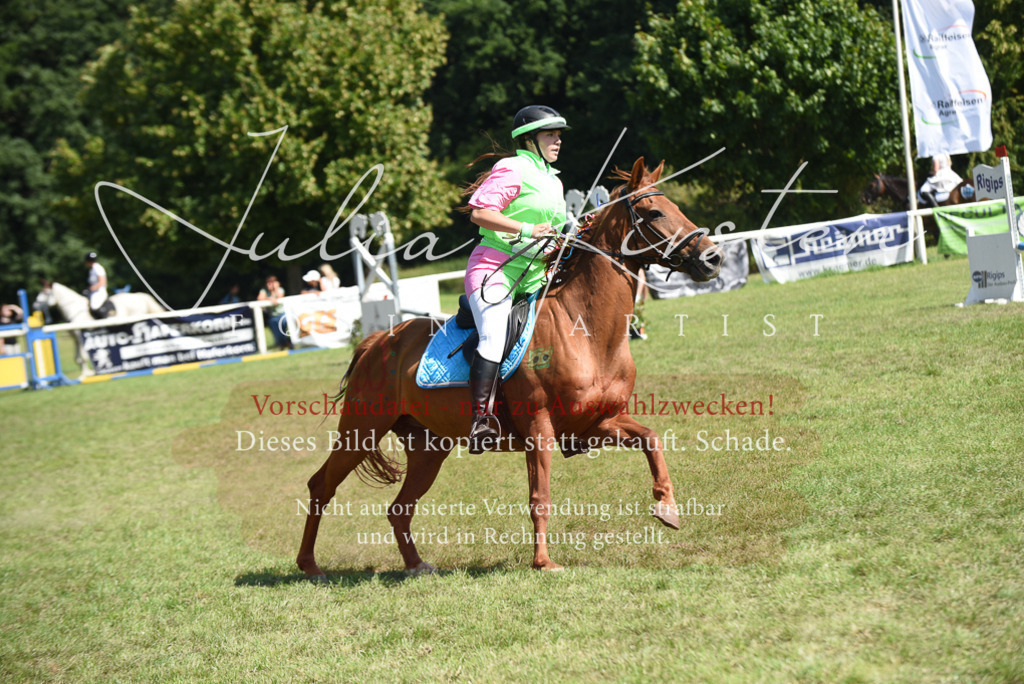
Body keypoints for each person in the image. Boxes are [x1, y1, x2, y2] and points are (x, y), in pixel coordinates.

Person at [461, 104, 569, 453]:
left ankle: (571, 420)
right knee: (493, 335)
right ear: (529, 139)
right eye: (550, 135)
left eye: (559, 135)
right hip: (495, 268)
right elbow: (480, 213)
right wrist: (526, 229)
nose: (557, 141)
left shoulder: (554, 180)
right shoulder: (512, 168)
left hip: (536, 273)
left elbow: (553, 231)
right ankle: (481, 420)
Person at [258, 275, 289, 349]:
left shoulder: (280, 289)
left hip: (282, 314)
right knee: (277, 334)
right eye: (268, 283)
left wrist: (275, 289)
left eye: (271, 283)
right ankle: (282, 345)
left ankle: (287, 343)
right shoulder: (264, 290)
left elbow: (279, 297)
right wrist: (270, 298)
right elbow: (260, 298)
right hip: (272, 316)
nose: (269, 285)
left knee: (283, 330)